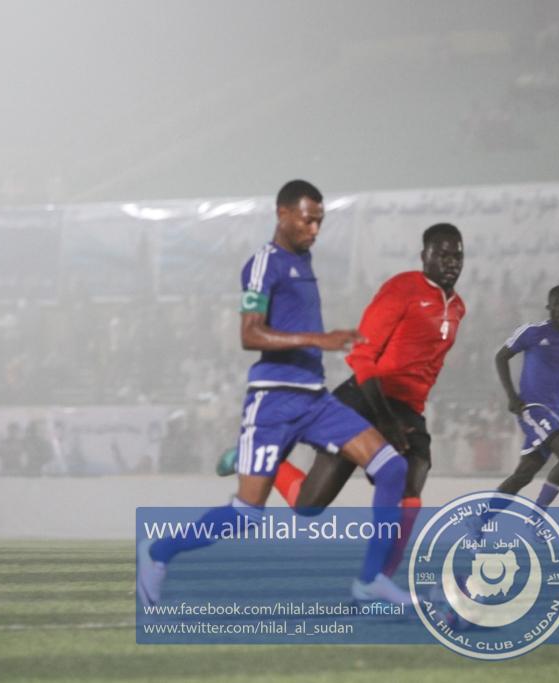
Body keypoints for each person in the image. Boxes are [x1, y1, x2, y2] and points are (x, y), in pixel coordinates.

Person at [137, 180, 409, 607]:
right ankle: (158, 552)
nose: (315, 229)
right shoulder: (264, 263)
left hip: (315, 399)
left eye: (320, 221)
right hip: (273, 402)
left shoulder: (304, 259)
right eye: (307, 220)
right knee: (246, 514)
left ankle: (369, 580)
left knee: (391, 468)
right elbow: (250, 334)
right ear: (282, 214)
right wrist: (316, 339)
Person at [218, 223, 465, 580]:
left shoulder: (458, 307)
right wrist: (385, 420)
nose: (451, 262)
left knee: (410, 496)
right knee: (308, 505)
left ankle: (375, 585)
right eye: (441, 254)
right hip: (363, 399)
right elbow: (361, 356)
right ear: (423, 256)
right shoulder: (401, 289)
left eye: (457, 255)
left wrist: (407, 414)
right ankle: (250, 457)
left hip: (407, 411)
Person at [493, 285, 559, 509]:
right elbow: (501, 357)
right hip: (532, 408)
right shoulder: (532, 333)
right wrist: (512, 396)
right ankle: (537, 516)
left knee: (524, 474)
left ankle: (479, 520)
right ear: (548, 307)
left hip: (557, 417)